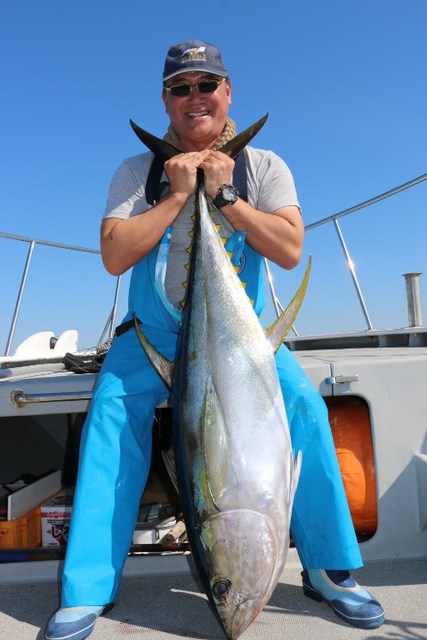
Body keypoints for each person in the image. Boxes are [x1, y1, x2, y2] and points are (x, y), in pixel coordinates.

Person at [44, 40, 384, 640]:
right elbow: (114, 255)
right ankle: (87, 591)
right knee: (111, 418)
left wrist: (224, 195)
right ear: (166, 101)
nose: (194, 97)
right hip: (151, 334)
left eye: (206, 85)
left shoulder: (263, 166)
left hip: (240, 333)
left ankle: (331, 571)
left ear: (228, 93)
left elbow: (288, 249)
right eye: (180, 88)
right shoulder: (137, 171)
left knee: (302, 408)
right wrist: (178, 194)